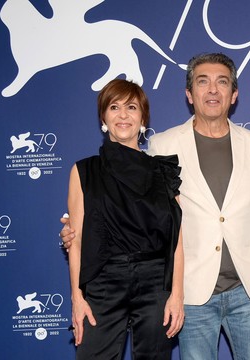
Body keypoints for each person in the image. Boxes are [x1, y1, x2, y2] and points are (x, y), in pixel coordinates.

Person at [62, 53, 250, 360]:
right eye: (202, 82)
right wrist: (76, 232)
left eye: (221, 82)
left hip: (245, 290)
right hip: (191, 290)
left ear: (233, 94)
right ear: (188, 94)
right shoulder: (163, 147)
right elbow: (126, 210)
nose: (212, 90)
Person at [66, 79, 184, 359]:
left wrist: (177, 293)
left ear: (143, 118)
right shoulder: (84, 171)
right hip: (103, 282)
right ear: (103, 118)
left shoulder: (163, 171)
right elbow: (77, 240)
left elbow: (176, 241)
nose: (123, 115)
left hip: (155, 282)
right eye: (114, 107)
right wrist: (77, 297)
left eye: (131, 107)